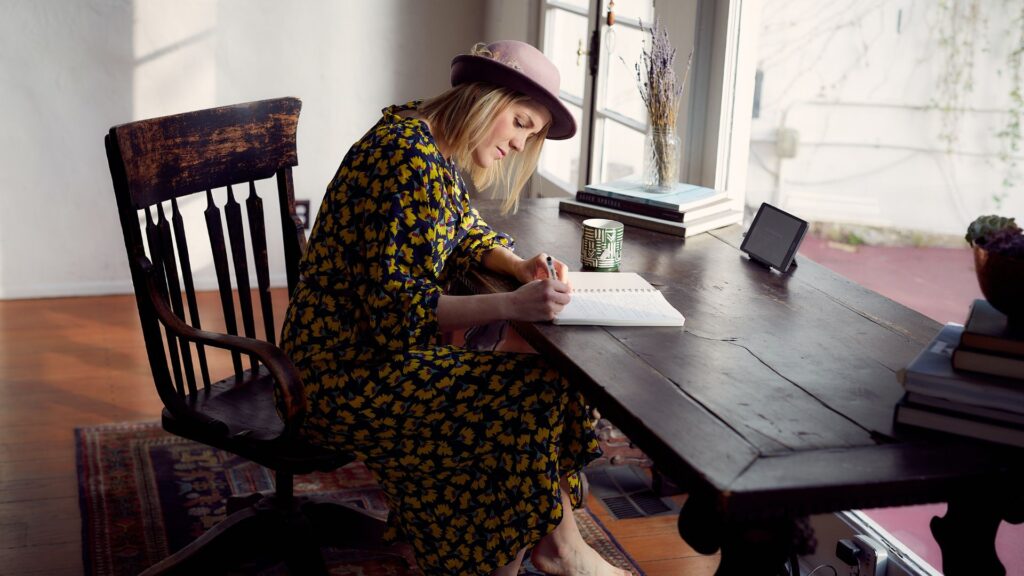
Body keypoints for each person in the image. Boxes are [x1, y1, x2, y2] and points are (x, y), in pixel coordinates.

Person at [280, 40, 631, 576]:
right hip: (339, 374)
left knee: (542, 381)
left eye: (531, 135)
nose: (519, 144)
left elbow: (461, 227)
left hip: (371, 357)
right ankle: (541, 554)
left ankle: (556, 547)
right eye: (520, 123)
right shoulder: (404, 158)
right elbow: (396, 313)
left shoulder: (425, 139)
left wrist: (517, 264)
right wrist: (512, 303)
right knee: (523, 396)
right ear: (484, 98)